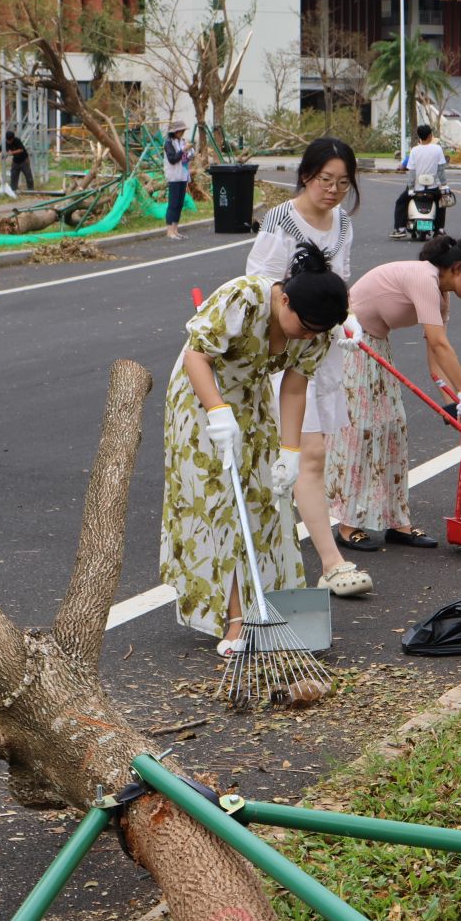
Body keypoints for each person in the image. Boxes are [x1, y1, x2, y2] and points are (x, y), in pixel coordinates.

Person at [161, 246, 348, 654]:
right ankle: (234, 620)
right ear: (284, 300)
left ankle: (266, 602)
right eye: (306, 325)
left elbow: (295, 387)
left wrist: (291, 450)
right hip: (200, 398)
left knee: (262, 500)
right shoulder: (243, 298)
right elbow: (196, 354)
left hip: (252, 401)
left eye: (319, 330)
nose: (310, 335)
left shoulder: (320, 331)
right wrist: (217, 412)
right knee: (219, 501)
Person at [244, 137, 369, 599]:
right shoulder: (281, 219)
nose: (333, 191)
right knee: (305, 453)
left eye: (342, 183)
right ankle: (331, 562)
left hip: (323, 345)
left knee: (305, 455)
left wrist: (345, 316)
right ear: (305, 176)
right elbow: (258, 281)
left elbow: (344, 276)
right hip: (285, 346)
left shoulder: (343, 223)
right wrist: (305, 313)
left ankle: (287, 556)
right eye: (325, 180)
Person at [327, 234, 461, 552]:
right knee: (360, 431)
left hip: (375, 345)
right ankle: (347, 522)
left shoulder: (442, 294)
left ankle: (397, 522)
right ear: (458, 268)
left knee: (394, 427)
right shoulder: (425, 278)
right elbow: (439, 343)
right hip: (349, 343)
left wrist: (451, 401)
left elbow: (435, 355)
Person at [392, 123, 448, 237]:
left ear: (419, 137)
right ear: (430, 135)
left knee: (401, 202)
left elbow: (412, 172)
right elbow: (441, 170)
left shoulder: (414, 150)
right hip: (433, 188)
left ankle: (401, 229)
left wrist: (411, 188)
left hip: (417, 188)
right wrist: (444, 185)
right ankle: (440, 230)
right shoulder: (437, 149)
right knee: (441, 203)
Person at [162, 122, 193, 240]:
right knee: (173, 204)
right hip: (174, 177)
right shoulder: (168, 143)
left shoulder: (182, 142)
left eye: (183, 131)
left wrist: (189, 153)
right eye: (180, 131)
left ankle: (175, 230)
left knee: (180, 204)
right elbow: (173, 159)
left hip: (183, 176)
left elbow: (184, 158)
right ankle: (169, 231)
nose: (182, 133)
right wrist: (183, 150)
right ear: (174, 132)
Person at [3, 128, 35, 195]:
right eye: (7, 140)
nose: (9, 141)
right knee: (13, 175)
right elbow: (4, 149)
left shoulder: (17, 140)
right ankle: (13, 189)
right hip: (15, 161)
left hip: (23, 160)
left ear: (12, 138)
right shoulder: (6, 142)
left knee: (28, 175)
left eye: (10, 140)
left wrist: (12, 152)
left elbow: (21, 150)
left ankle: (31, 190)